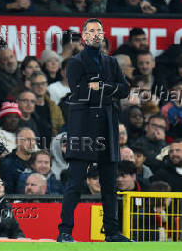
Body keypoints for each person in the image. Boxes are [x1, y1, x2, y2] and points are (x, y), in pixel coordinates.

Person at [57, 18, 130, 242]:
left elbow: (125, 89)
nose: (96, 34)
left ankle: (112, 232)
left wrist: (102, 87)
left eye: (99, 30)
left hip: (108, 125)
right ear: (84, 35)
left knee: (110, 184)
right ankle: (65, 232)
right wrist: (110, 91)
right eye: (91, 31)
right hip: (83, 127)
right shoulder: (75, 62)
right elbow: (79, 93)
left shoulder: (112, 62)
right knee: (75, 183)